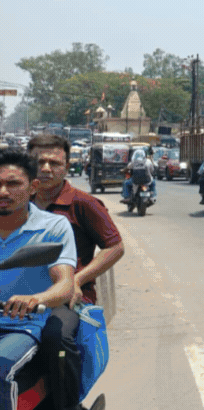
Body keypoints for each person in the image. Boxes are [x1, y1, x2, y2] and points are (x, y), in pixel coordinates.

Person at [29, 135, 122, 410]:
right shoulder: (17, 203)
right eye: (39, 161)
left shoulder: (83, 203)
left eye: (53, 162)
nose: (46, 168)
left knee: (56, 338)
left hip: (69, 300)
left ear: (66, 166)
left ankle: (69, 406)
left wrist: (77, 280)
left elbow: (114, 246)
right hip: (23, 294)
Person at [0, 148, 77, 410]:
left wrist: (34, 299)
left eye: (12, 184)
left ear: (32, 187)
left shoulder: (52, 227)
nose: (3, 192)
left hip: (23, 324)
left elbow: (65, 284)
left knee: (1, 366)